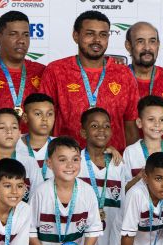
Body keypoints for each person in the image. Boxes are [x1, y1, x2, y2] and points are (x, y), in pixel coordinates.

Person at [40, 10, 140, 151]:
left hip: (113, 163)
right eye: (90, 33)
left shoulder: (124, 74)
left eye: (103, 35)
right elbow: (45, 121)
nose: (97, 40)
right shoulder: (56, 71)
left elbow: (131, 125)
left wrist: (132, 163)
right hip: (66, 162)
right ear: (76, 36)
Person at [77, 107, 126, 245]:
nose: (101, 130)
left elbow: (128, 199)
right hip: (83, 240)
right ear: (83, 132)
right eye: (94, 126)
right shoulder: (74, 162)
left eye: (106, 125)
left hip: (111, 238)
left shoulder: (117, 163)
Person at [16, 93, 55, 181]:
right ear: (25, 118)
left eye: (49, 114)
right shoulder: (12, 144)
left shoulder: (61, 145)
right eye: (38, 114)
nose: (45, 119)